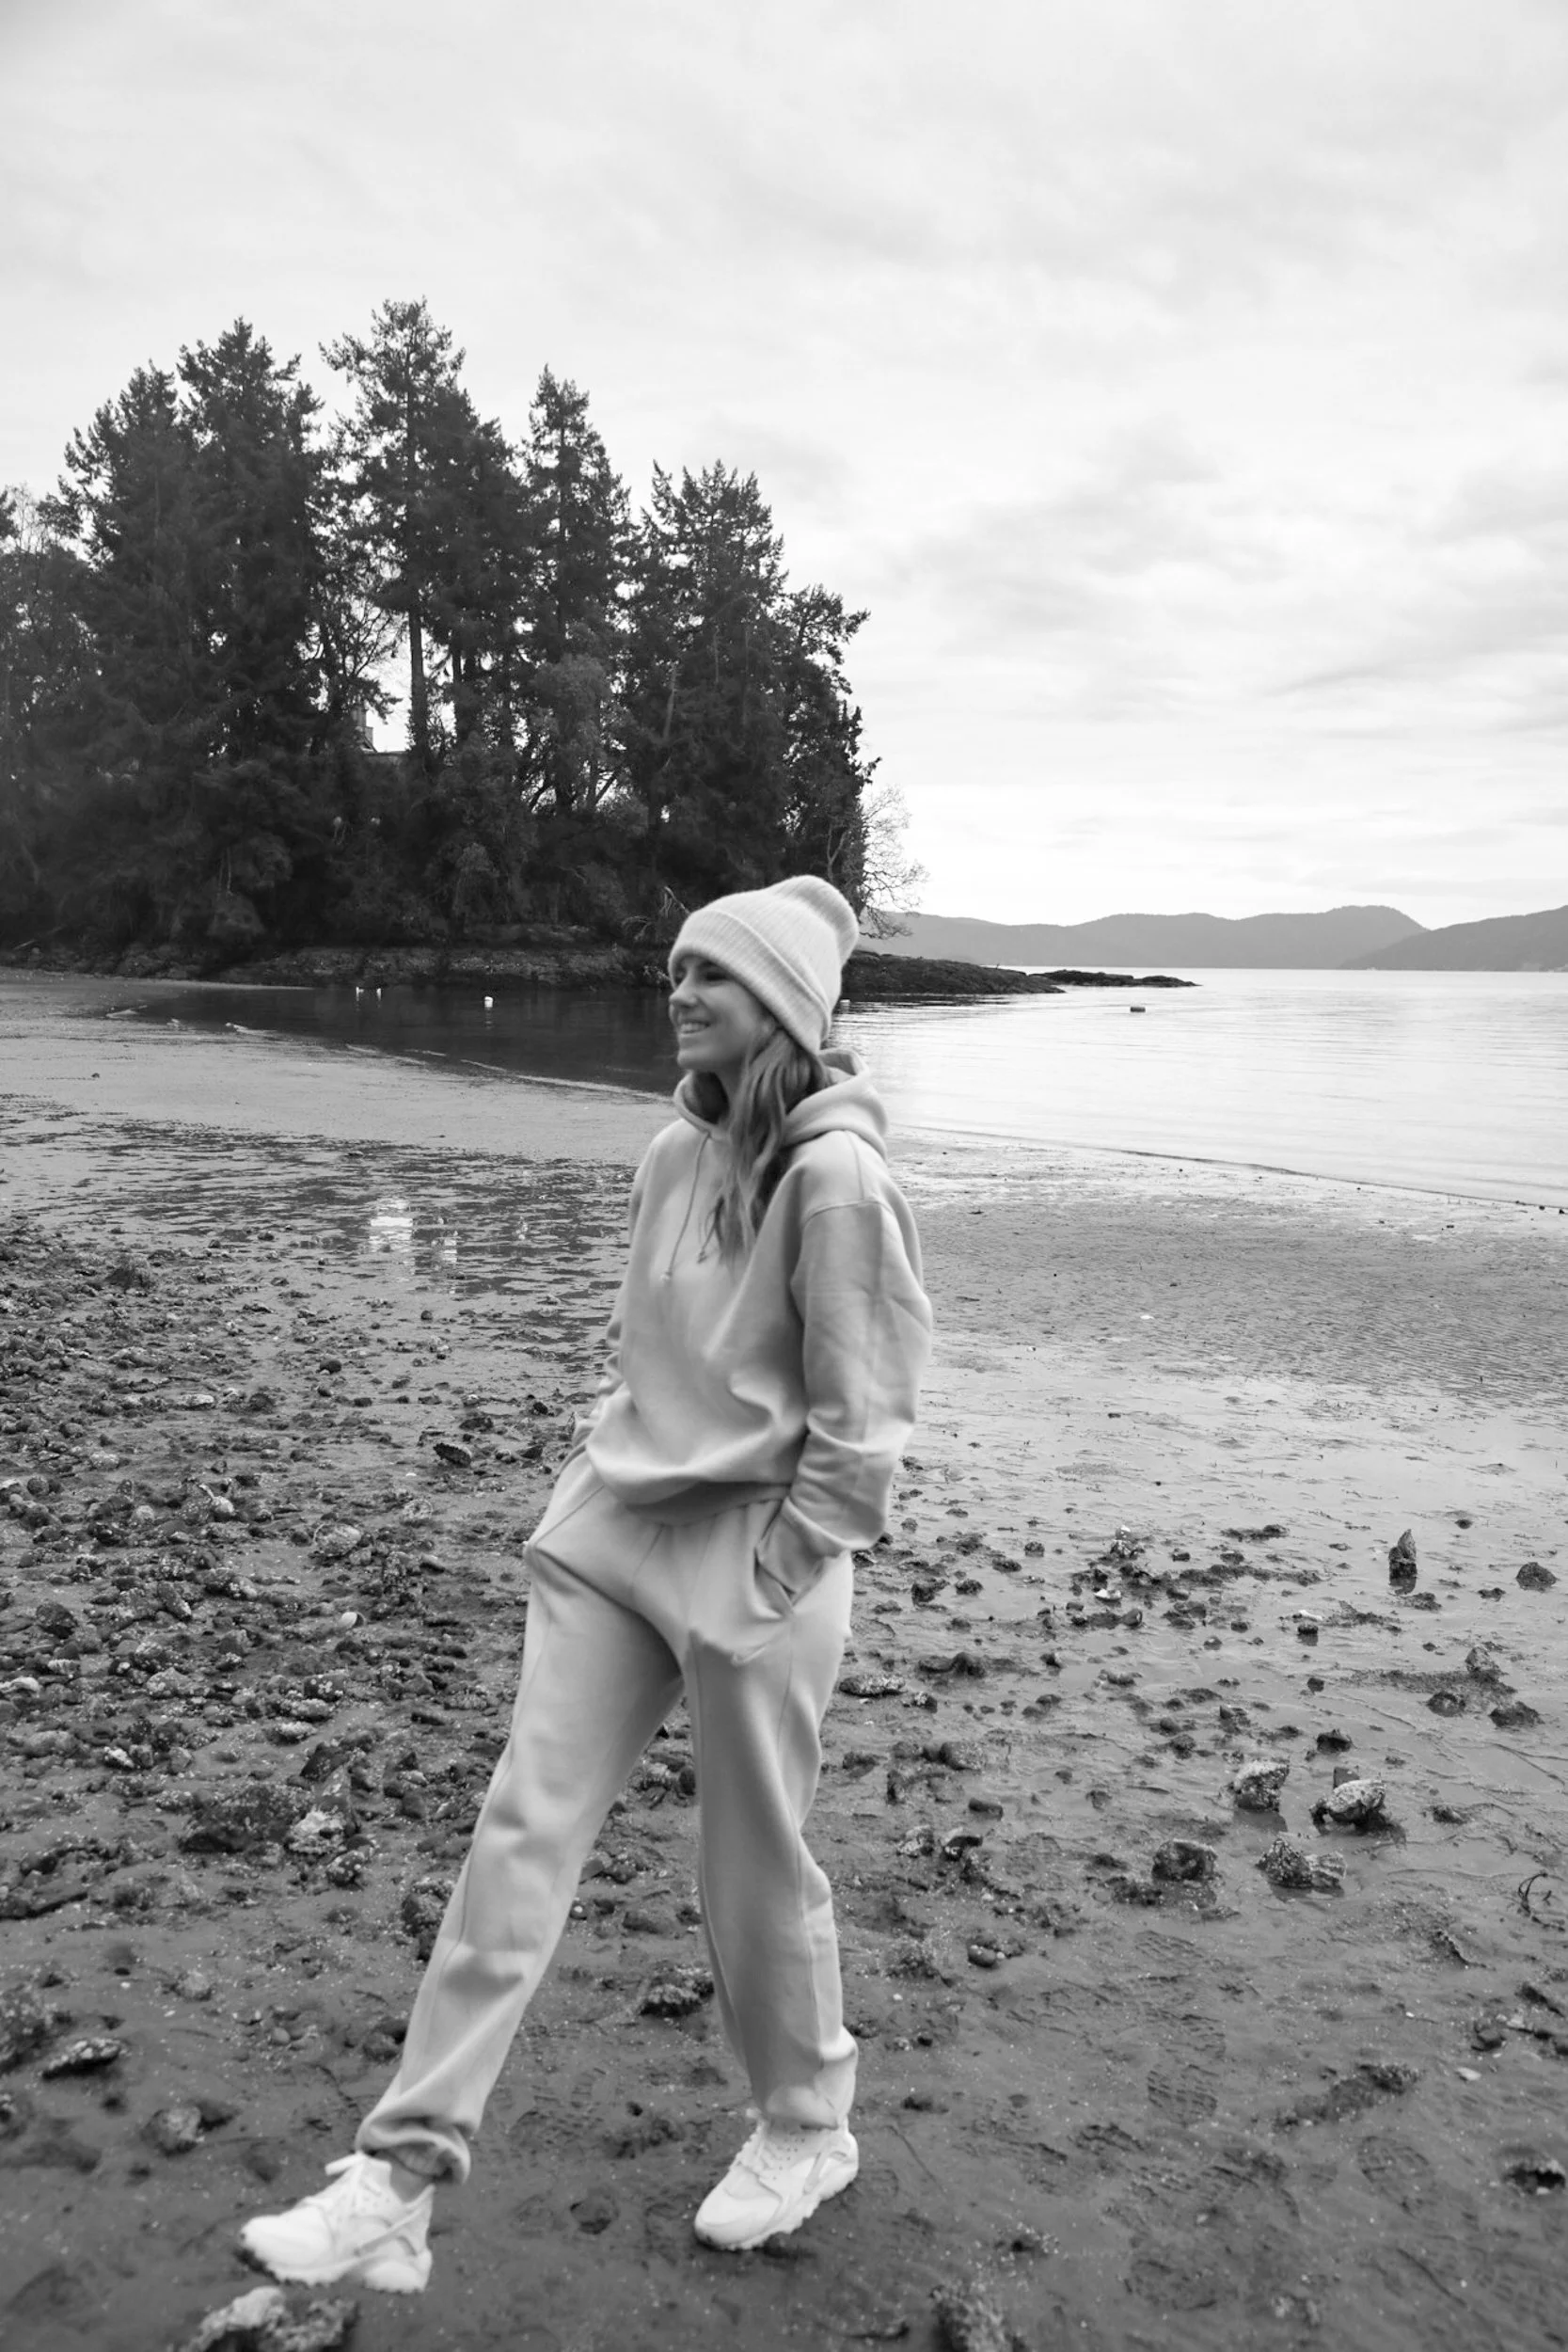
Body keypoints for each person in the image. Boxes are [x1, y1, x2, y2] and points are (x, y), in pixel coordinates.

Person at [239, 875, 932, 2292]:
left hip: (755, 1553)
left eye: (712, 979)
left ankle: (807, 2127)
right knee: (521, 1827)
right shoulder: (666, 1158)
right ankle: (401, 2174)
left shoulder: (841, 1179)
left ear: (784, 1011)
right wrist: (594, 1463)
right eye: (675, 969)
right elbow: (641, 1344)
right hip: (614, 1532)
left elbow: (865, 1430)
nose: (678, 992)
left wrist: (776, 1570)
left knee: (749, 1865)